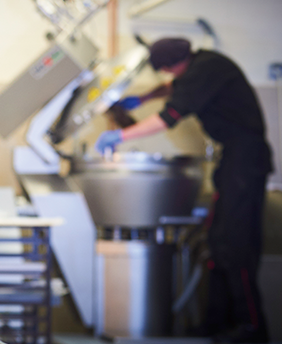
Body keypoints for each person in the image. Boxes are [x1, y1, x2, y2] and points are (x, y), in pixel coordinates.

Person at [95, 38, 271, 343]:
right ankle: (216, 323)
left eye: (164, 72)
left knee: (236, 245)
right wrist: (143, 98)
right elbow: (175, 88)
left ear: (170, 65)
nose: (166, 77)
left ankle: (252, 326)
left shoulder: (206, 70)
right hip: (234, 161)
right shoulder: (202, 64)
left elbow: (169, 118)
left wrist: (120, 135)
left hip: (246, 162)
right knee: (217, 243)